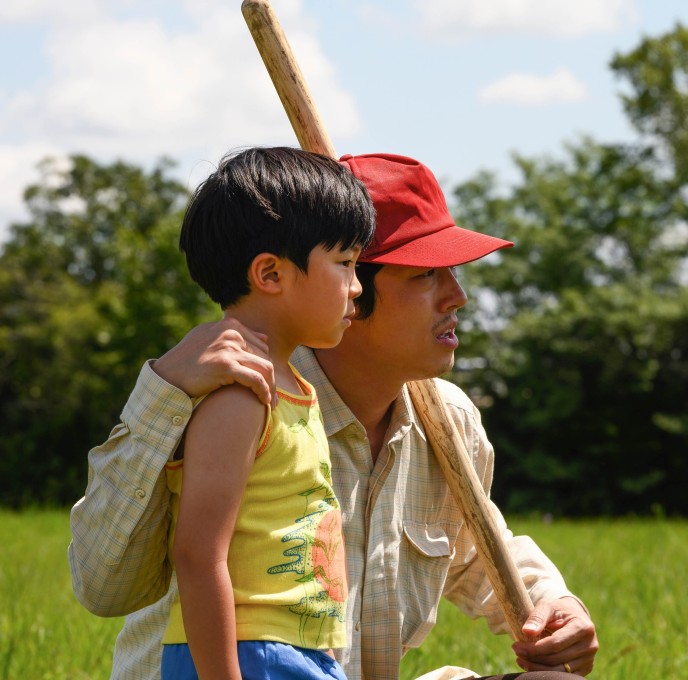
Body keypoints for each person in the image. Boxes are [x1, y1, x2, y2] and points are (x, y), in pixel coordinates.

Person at [69, 153, 599, 680]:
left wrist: (554, 603)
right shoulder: (234, 392)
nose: (457, 296)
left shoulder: (449, 421)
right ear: (352, 285)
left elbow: (475, 549)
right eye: (425, 275)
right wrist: (162, 392)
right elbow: (102, 584)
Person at [160, 146, 376, 679]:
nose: (357, 286)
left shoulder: (295, 388)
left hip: (296, 652)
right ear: (271, 274)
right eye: (345, 263)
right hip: (248, 652)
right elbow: (196, 553)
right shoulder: (239, 397)